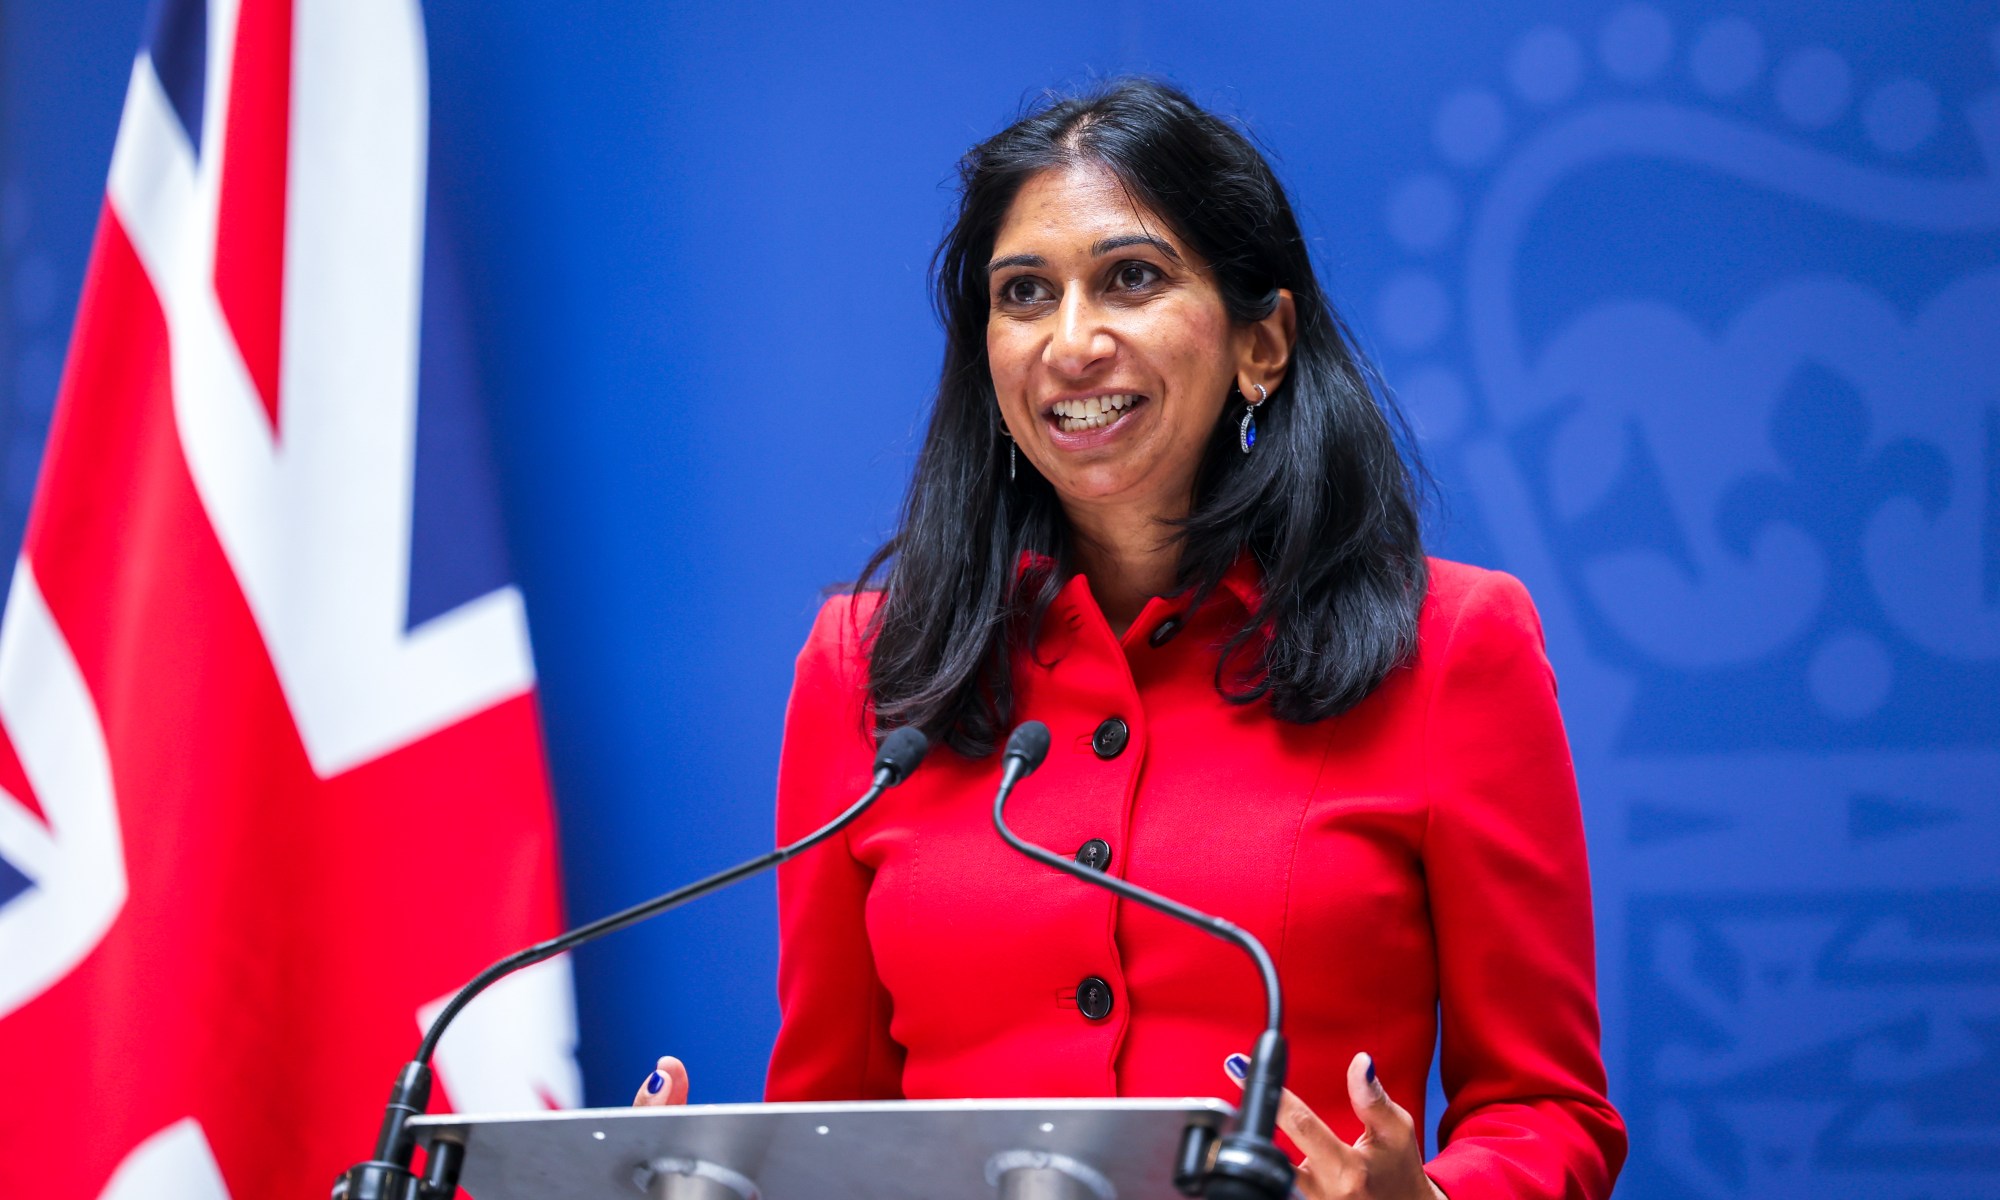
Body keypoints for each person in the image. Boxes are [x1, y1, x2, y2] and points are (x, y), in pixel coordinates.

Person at [636, 79, 1626, 1200]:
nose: (1071, 342)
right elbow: (827, 1121)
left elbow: (1546, 1112)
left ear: (1262, 342)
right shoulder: (868, 667)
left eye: (1131, 279)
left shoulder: (1448, 646)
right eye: (1023, 293)